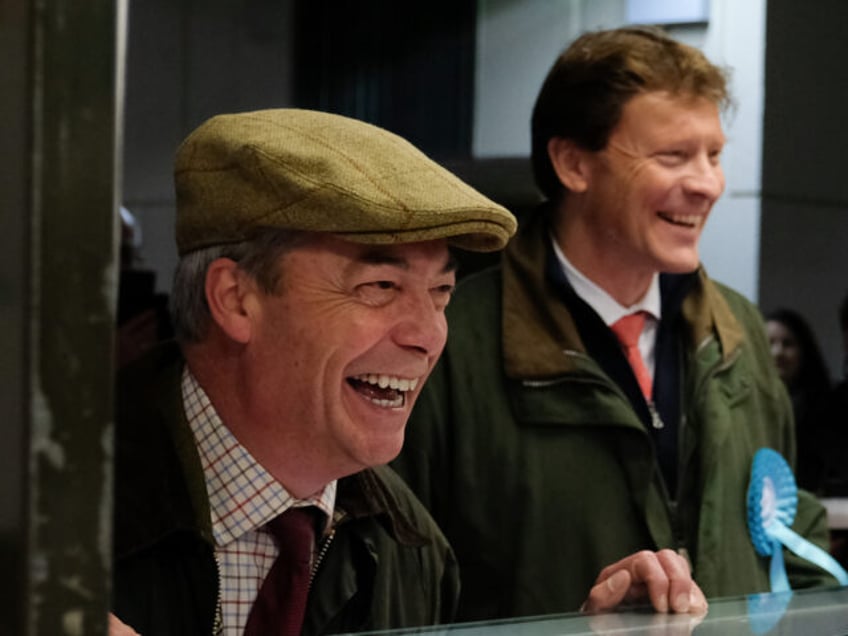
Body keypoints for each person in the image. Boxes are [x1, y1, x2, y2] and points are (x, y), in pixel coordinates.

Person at [109, 108, 702, 636]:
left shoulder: (409, 547)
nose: (427, 336)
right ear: (237, 299)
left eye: (441, 292)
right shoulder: (47, 511)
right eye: (380, 287)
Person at [394, 26, 837, 622]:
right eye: (672, 156)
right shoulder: (449, 341)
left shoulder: (738, 332)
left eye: (714, 155)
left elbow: (786, 537)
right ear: (574, 163)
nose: (708, 183)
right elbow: (402, 578)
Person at [765, 308, 832, 492]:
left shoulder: (827, 410)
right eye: (769, 343)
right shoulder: (744, 408)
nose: (778, 352)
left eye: (787, 344)